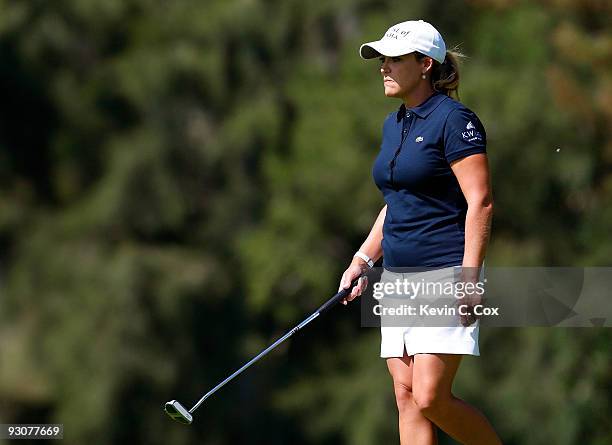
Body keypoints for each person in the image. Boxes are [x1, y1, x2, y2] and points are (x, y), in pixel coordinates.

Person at [338, 20, 501, 444]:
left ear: (425, 63)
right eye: (382, 59)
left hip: (444, 272)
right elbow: (397, 202)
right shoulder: (394, 125)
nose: (384, 67)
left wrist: (470, 276)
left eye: (394, 59)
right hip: (398, 278)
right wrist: (362, 259)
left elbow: (480, 201)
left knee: (430, 397)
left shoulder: (455, 120)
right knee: (406, 397)